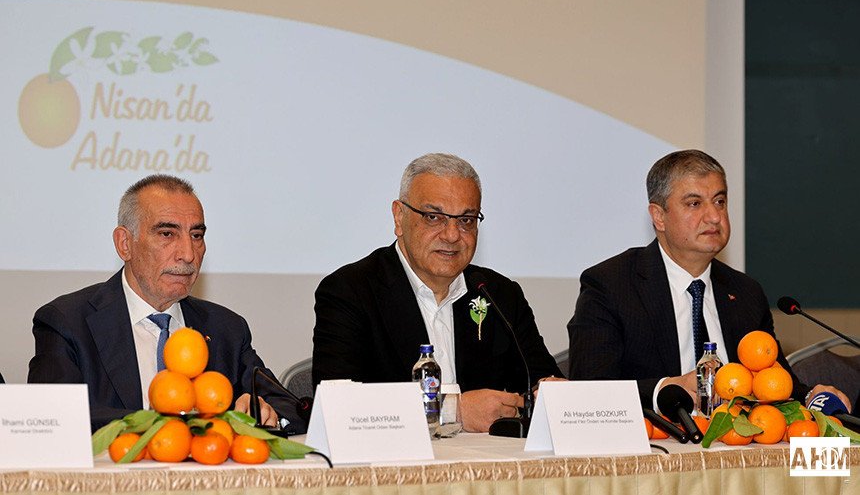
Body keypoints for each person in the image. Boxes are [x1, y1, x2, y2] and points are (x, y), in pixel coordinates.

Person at [567, 149, 852, 413]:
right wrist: (665, 389)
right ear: (659, 216)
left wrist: (810, 395)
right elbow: (588, 390)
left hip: (740, 443)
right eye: (694, 203)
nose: (714, 217)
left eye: (720, 201)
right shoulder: (611, 285)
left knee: (832, 450)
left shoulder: (745, 292)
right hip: (655, 443)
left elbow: (772, 383)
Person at [28, 175, 306, 433]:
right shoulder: (67, 322)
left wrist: (262, 411)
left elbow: (292, 408)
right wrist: (181, 426)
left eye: (196, 236)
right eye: (167, 234)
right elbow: (51, 418)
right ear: (125, 244)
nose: (188, 254)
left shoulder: (226, 328)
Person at [313, 153, 563, 432]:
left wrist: (552, 397)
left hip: (489, 457)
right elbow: (338, 406)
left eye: (466, 220)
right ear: (399, 217)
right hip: (399, 457)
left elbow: (540, 382)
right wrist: (453, 411)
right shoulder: (350, 291)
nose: (452, 235)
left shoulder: (499, 295)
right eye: (434, 217)